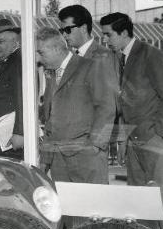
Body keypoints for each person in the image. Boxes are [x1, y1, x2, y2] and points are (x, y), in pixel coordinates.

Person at [100, 12, 163, 229]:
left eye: (108, 35)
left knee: (161, 193)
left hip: (154, 137)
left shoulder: (150, 54)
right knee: (139, 196)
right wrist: (124, 137)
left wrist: (160, 134)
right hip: (133, 138)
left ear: (124, 33)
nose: (105, 40)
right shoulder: (118, 59)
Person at [37, 27, 116, 184]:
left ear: (57, 49)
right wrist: (45, 160)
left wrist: (95, 147)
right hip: (59, 163)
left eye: (41, 52)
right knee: (67, 208)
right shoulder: (51, 75)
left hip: (87, 159)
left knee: (93, 207)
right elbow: (50, 119)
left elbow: (107, 107)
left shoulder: (91, 67)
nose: (39, 59)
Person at [58, 4, 123, 164]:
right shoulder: (71, 58)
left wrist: (95, 145)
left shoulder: (103, 56)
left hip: (88, 151)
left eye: (68, 30)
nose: (64, 35)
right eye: (62, 31)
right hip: (66, 149)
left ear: (84, 27)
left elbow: (108, 105)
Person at [0, 19, 24, 158]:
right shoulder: (5, 64)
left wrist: (20, 132)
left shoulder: (19, 62)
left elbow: (22, 98)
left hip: (12, 140)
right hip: (1, 138)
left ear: (15, 41)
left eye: (0, 41)